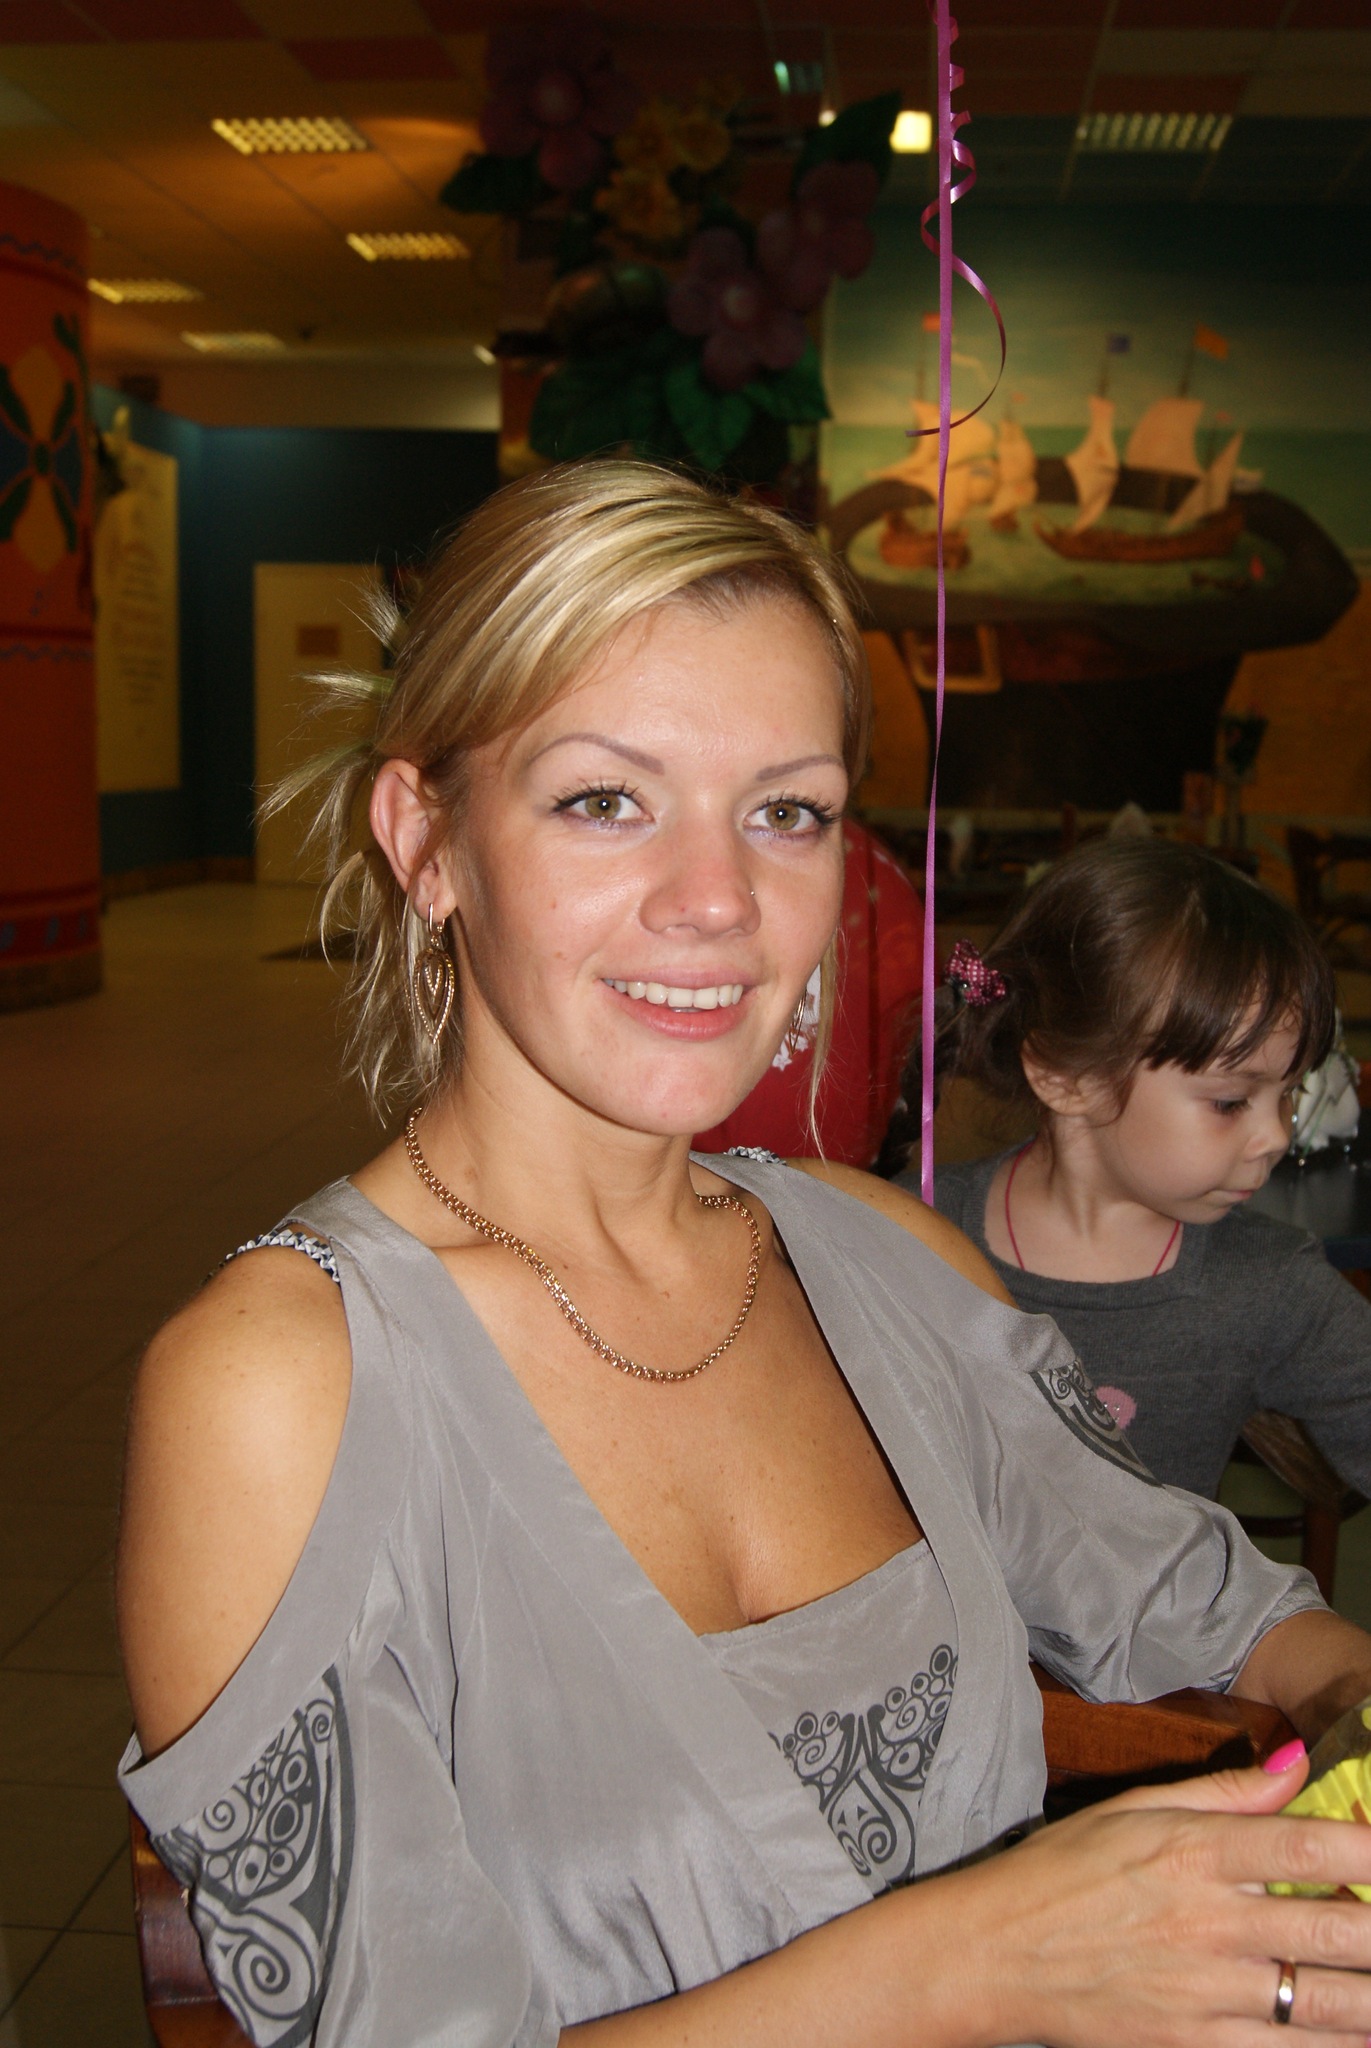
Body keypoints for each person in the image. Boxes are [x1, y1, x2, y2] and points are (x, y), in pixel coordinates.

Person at [116, 462, 1371, 2048]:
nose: (717, 902)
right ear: (424, 840)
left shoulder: (887, 1261)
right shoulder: (281, 1390)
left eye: (786, 811)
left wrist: (1340, 1693)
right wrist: (976, 1967)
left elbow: (1192, 1593)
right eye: (603, 799)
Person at [906, 836, 1371, 1502]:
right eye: (1230, 1101)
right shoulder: (906, 1236)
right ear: (1066, 1078)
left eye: (1290, 1092)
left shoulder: (1269, 1285)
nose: (1277, 1135)